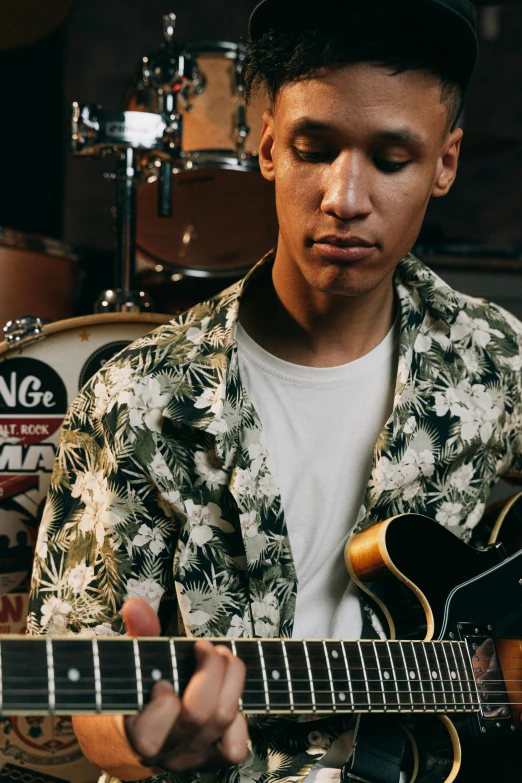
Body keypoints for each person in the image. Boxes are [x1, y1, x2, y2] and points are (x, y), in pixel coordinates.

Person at [28, 0, 522, 781]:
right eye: (313, 149)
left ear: (445, 163)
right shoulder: (135, 397)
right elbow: (87, 689)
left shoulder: (495, 358)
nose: (344, 197)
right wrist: (149, 742)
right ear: (265, 146)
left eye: (392, 160)